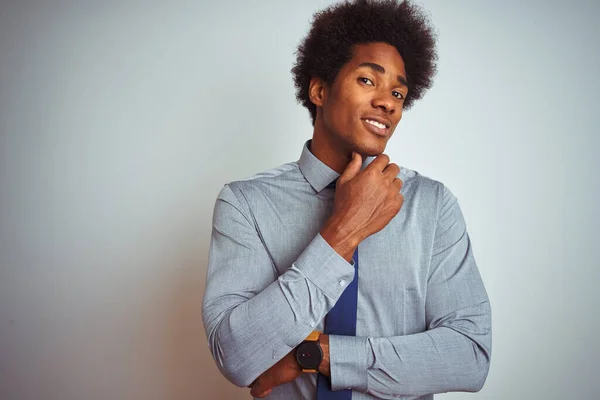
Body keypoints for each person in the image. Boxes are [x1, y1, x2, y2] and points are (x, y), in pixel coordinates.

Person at [202, 0, 492, 399]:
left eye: (397, 92)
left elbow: (470, 356)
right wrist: (344, 230)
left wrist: (318, 354)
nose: (388, 102)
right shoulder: (246, 204)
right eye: (368, 81)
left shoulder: (432, 206)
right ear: (320, 90)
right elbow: (236, 355)